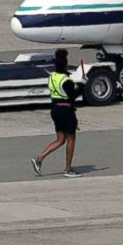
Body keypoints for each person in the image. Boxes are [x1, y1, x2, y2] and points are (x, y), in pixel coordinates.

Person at [31, 49, 80, 178]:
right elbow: (73, 95)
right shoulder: (66, 80)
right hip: (66, 110)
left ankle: (39, 159)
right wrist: (81, 86)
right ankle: (68, 169)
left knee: (60, 139)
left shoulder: (52, 77)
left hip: (55, 110)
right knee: (71, 139)